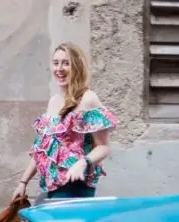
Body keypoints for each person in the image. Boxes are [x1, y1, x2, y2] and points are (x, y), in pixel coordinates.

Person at [12, 42, 117, 200]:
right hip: (52, 186)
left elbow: (103, 147)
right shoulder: (54, 101)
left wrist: (83, 163)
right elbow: (43, 148)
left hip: (76, 185)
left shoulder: (88, 99)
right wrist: (23, 182)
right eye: (56, 63)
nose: (59, 69)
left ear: (77, 67)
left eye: (66, 63)